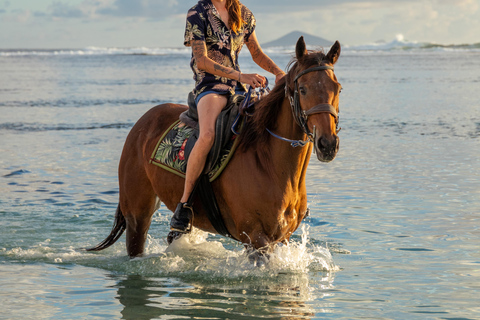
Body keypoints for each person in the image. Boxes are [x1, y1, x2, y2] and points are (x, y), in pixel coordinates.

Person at [168, 0, 285, 242]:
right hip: (210, 87)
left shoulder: (243, 14)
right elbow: (201, 60)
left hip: (239, 89)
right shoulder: (197, 12)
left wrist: (279, 73)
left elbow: (256, 53)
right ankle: (184, 205)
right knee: (208, 135)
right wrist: (242, 75)